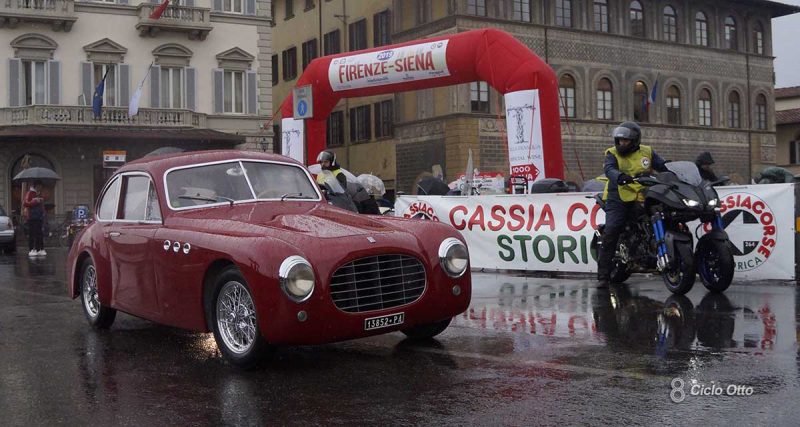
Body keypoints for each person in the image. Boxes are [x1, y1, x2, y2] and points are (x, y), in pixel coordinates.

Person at [597, 121, 668, 288]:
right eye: (620, 140)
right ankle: (603, 276)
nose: (622, 143)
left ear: (635, 140)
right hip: (618, 196)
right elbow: (609, 169)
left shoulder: (647, 152)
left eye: (626, 141)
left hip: (643, 194)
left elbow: (663, 166)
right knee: (612, 229)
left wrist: (673, 172)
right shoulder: (612, 153)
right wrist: (619, 176)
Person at [23, 180, 46, 257]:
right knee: (32, 233)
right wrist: (35, 201)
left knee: (39, 233)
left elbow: (41, 206)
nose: (40, 188)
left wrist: (43, 211)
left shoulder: (38, 193)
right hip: (32, 217)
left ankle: (40, 249)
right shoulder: (30, 193)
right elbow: (25, 203)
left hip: (39, 217)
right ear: (36, 186)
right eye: (39, 186)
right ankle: (32, 249)